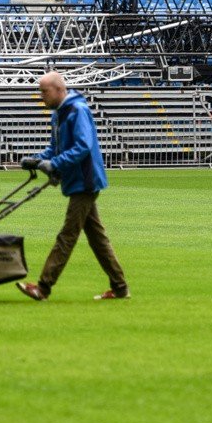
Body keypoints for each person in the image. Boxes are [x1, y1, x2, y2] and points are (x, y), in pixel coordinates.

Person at [16, 70, 129, 301]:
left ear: (59, 89)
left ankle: (43, 287)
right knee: (98, 239)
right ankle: (120, 288)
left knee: (67, 235)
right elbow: (54, 148)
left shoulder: (78, 111)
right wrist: (37, 160)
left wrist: (54, 163)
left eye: (44, 92)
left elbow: (83, 146)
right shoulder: (58, 114)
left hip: (85, 181)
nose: (42, 97)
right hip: (76, 180)